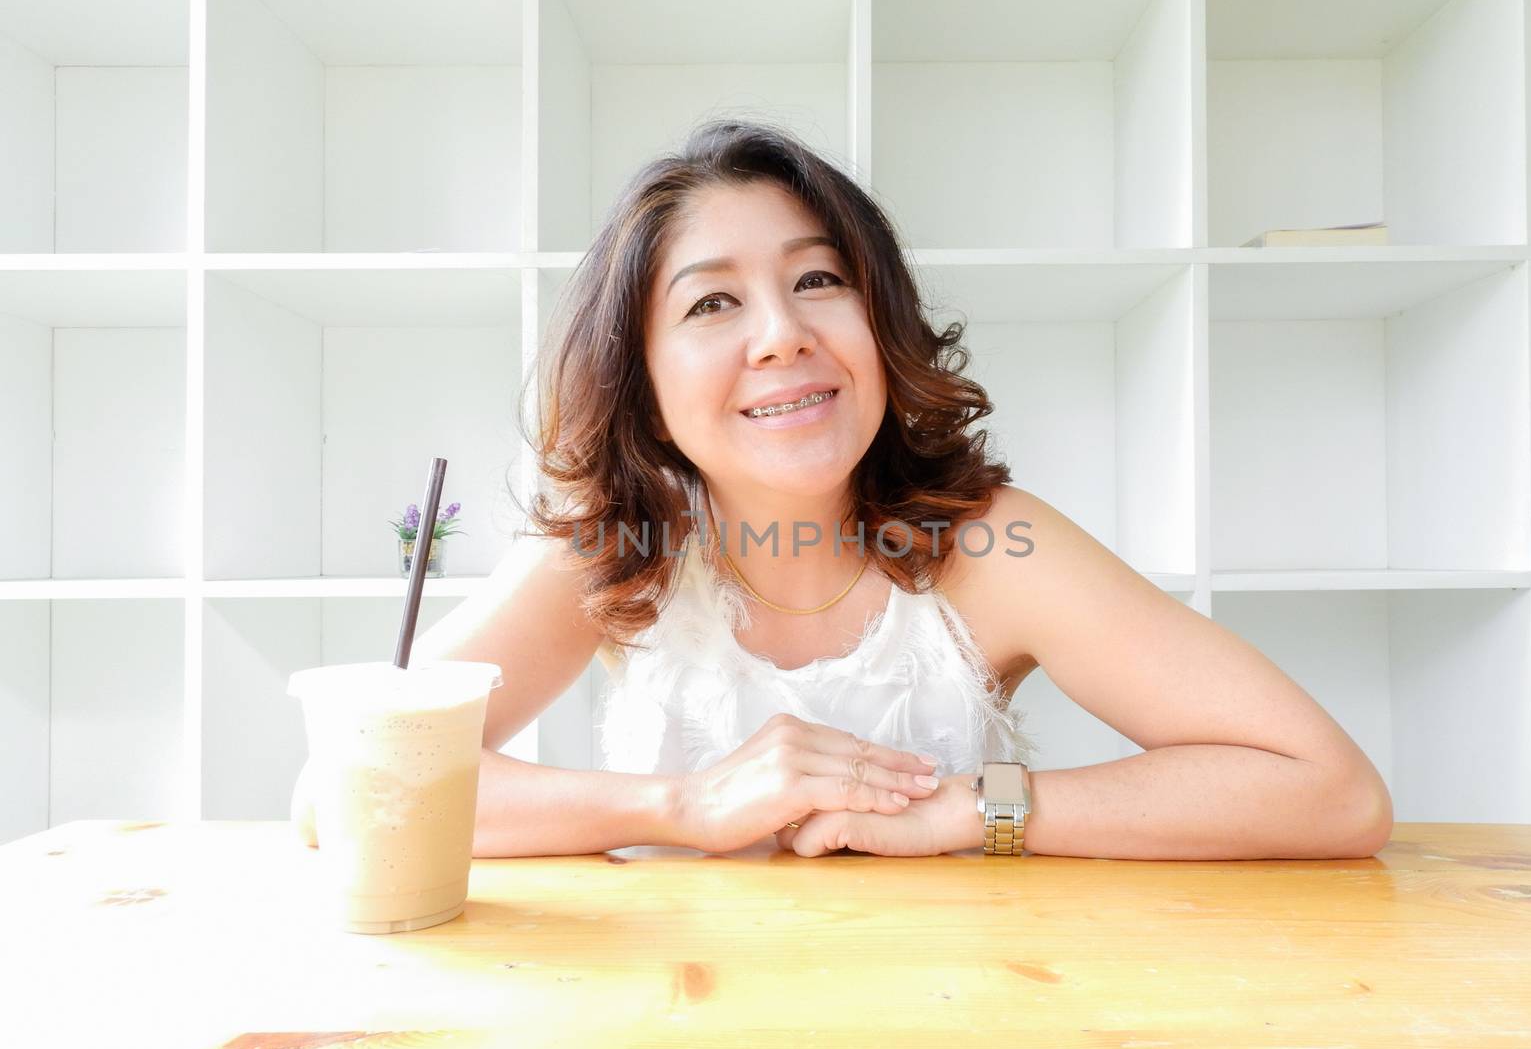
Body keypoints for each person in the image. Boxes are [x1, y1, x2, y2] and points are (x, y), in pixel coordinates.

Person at [292, 119, 1393, 861]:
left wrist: (974, 810)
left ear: (881, 322)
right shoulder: (613, 548)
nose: (782, 337)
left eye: (819, 281)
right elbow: (340, 789)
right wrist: (683, 808)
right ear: (642, 373)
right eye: (711, 305)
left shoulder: (989, 546)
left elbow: (1329, 791)